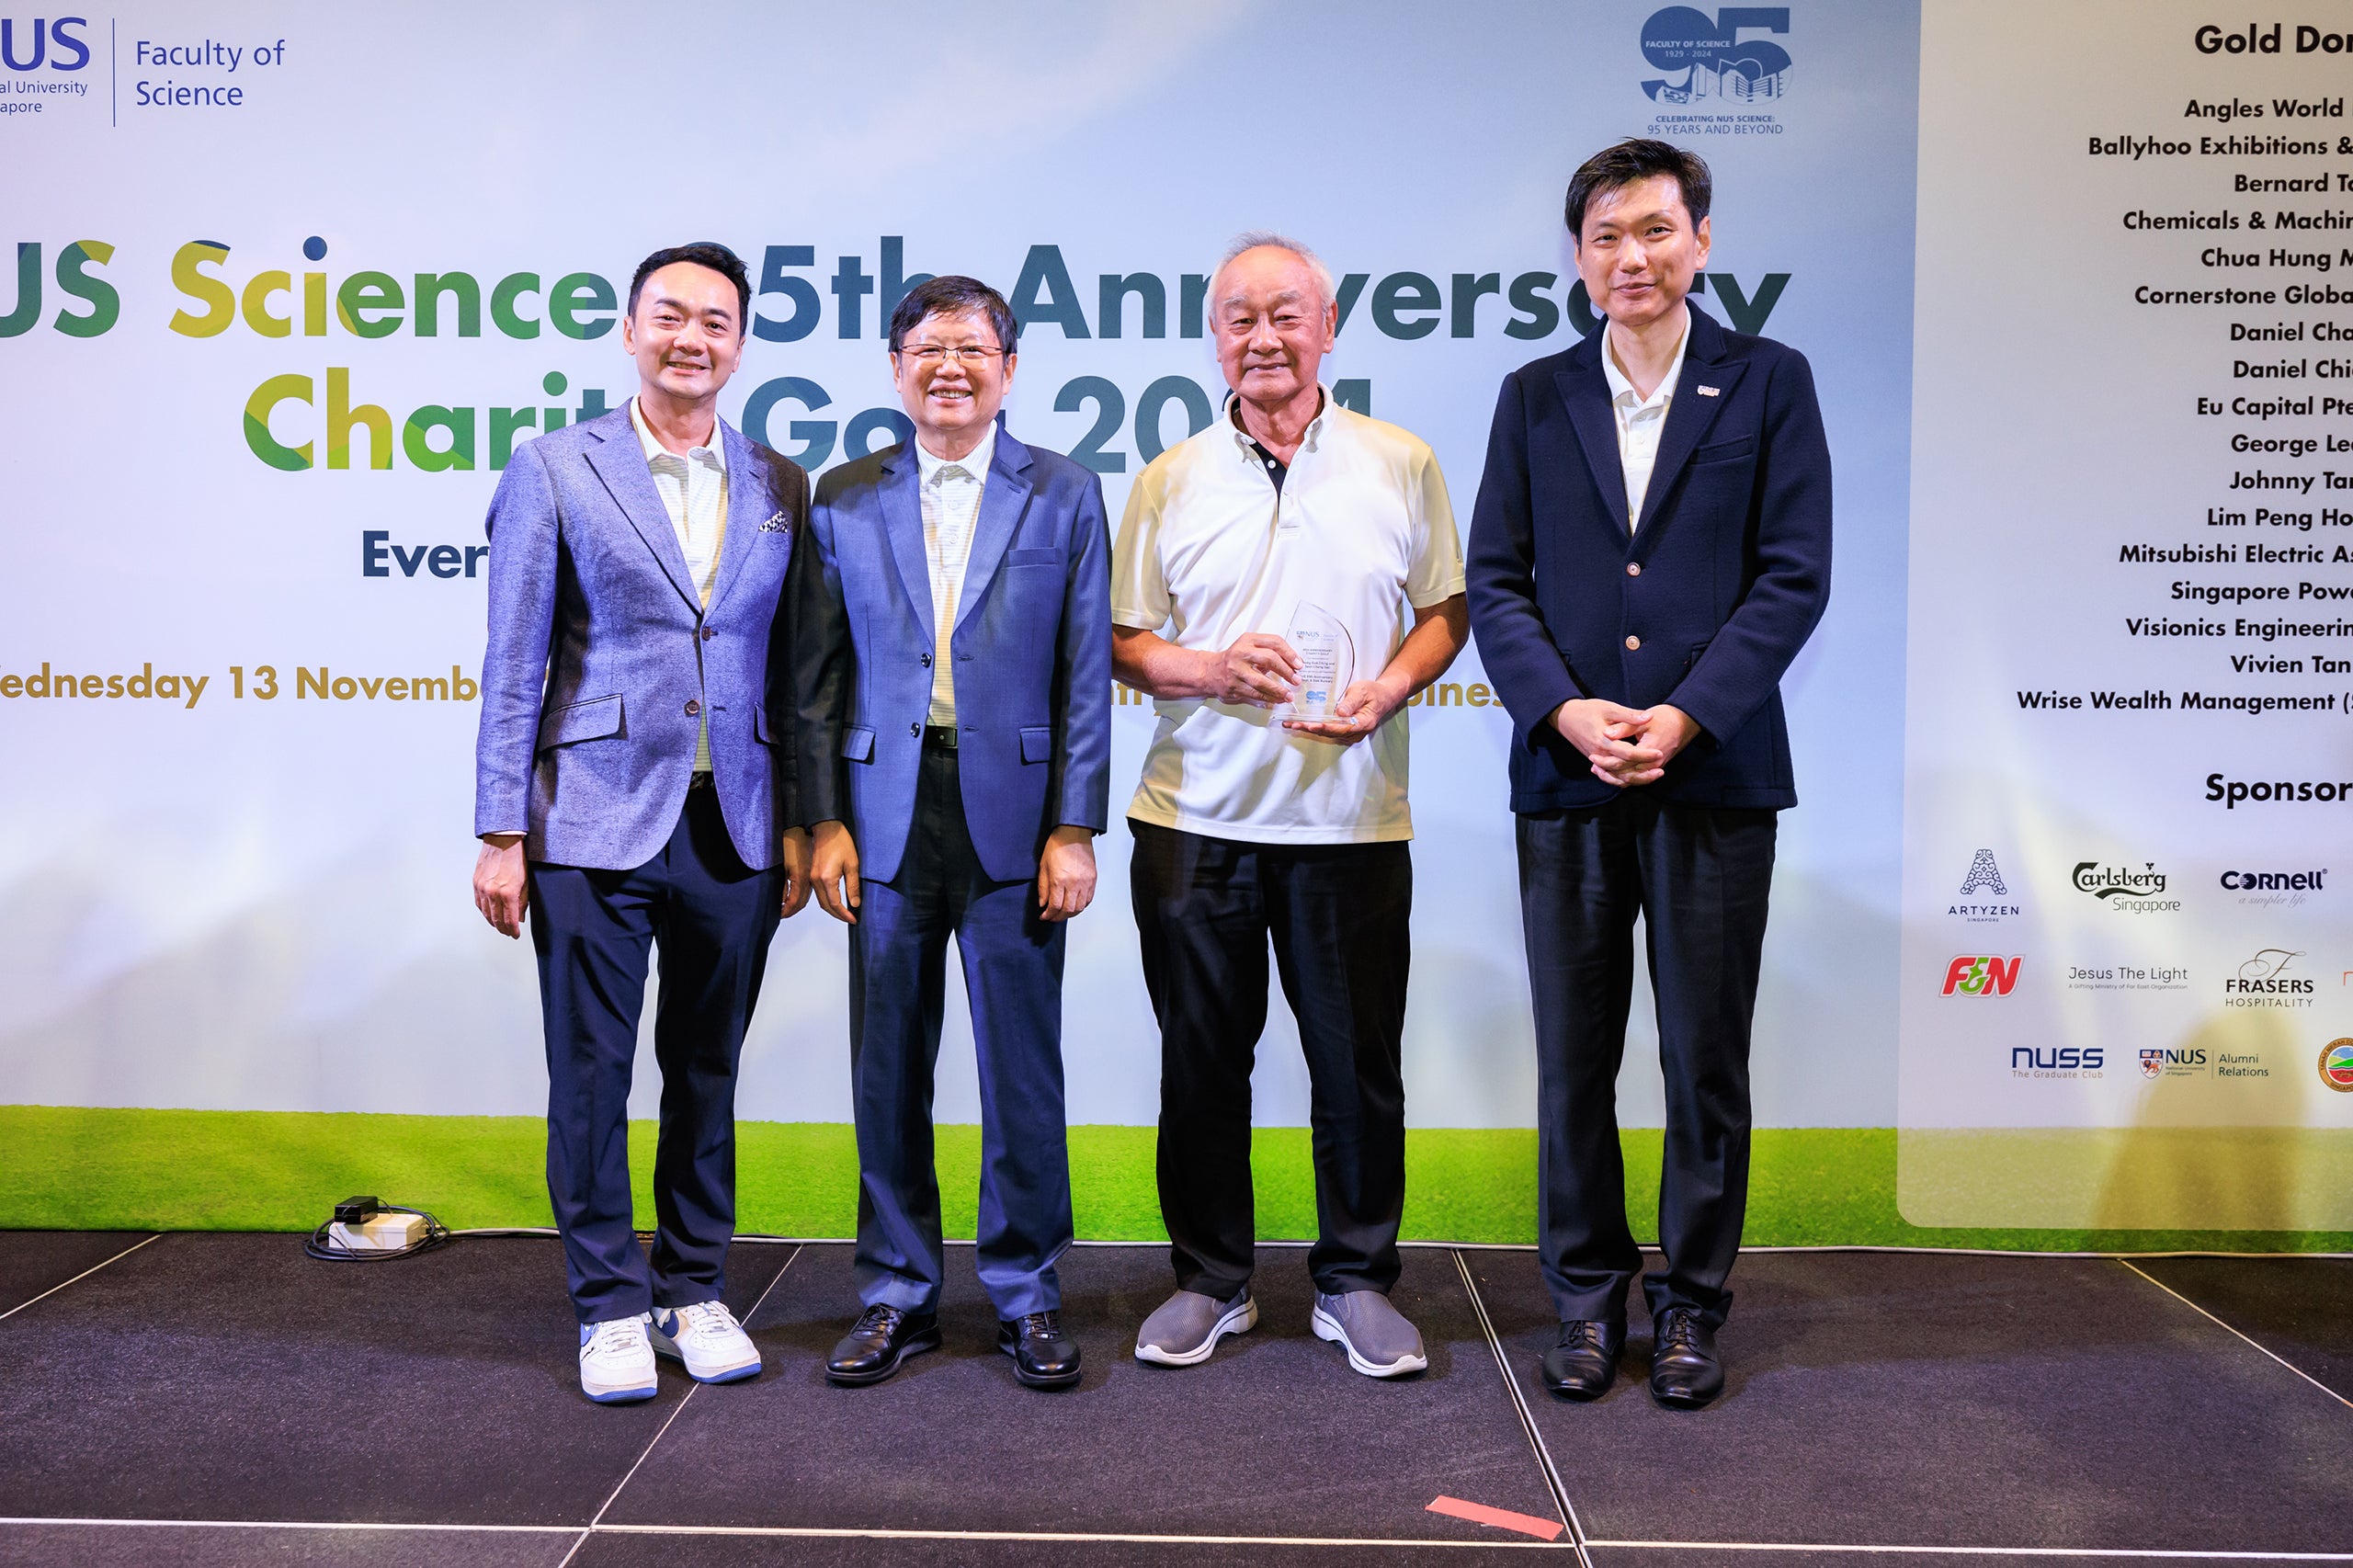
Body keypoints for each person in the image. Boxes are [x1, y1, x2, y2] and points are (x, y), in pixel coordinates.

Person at [1465, 139, 1832, 1408]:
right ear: (1578, 257)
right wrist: (1567, 711)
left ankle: (1690, 1305)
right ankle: (1583, 1301)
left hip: (1713, 774)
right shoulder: (1533, 394)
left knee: (1702, 1058)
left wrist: (1683, 716)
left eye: (1656, 230)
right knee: (1573, 1058)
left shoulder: (1768, 380)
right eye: (1607, 236)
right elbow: (1496, 581)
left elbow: (1793, 575)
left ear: (1701, 241)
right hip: (1567, 778)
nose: (1633, 256)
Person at [1111, 233, 1467, 1380]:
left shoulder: (1400, 460)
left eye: (1285, 315)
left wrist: (1390, 687)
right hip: (1192, 820)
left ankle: (1355, 1280)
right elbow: (1123, 639)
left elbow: (1446, 611)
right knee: (1199, 1064)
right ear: (1213, 337)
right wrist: (1208, 668)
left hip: (1350, 823)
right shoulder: (1168, 476)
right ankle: (1211, 1279)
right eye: (1239, 319)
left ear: (1327, 327)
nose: (1263, 338)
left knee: (1355, 1066)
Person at [472, 242, 811, 1404]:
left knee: (707, 1067)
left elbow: (790, 666)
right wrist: (500, 828)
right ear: (630, 330)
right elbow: (512, 657)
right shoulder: (555, 466)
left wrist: (800, 823)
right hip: (589, 819)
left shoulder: (780, 482)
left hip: (737, 823)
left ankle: (692, 1286)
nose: (690, 338)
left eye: (715, 321)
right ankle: (609, 1304)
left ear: (740, 343)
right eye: (669, 315)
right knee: (591, 1073)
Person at [789, 276, 1111, 1391]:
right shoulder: (842, 495)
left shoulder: (1064, 492)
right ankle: (896, 1291)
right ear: (896, 366)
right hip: (879, 816)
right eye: (928, 347)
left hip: (1017, 821)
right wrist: (823, 818)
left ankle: (1027, 1291)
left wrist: (1073, 823)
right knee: (886, 1066)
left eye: (973, 348)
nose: (950, 367)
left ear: (1008, 369)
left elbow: (1083, 674)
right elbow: (815, 678)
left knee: (1021, 1067)